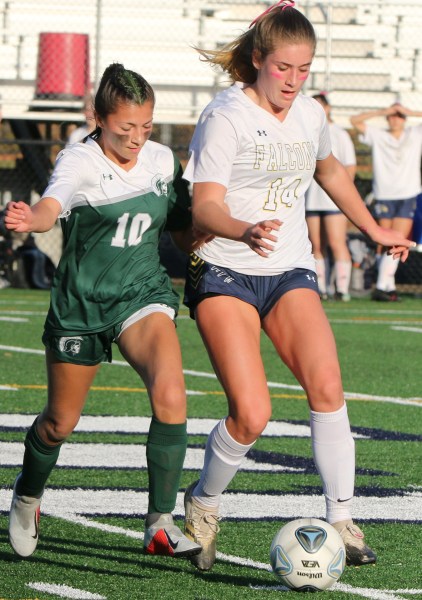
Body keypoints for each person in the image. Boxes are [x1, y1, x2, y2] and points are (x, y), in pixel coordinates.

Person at [180, 0, 415, 572]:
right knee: (251, 414)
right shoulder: (225, 116)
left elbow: (330, 171)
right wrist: (242, 228)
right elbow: (203, 206)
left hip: (288, 268)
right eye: (283, 67)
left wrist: (373, 228)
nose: (293, 80)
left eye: (303, 69)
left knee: (328, 386)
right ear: (259, 59)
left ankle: (342, 519)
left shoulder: (309, 114)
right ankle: (204, 502)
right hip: (225, 268)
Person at [4, 63, 206, 560]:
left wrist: (218, 230)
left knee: (172, 395)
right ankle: (27, 496)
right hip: (82, 304)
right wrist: (32, 218)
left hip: (143, 295)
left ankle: (159, 523)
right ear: (98, 117)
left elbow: (182, 228)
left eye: (146, 126)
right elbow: (51, 206)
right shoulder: (79, 160)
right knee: (59, 423)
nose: (137, 138)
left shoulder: (162, 160)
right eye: (125, 128)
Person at [350, 103, 422, 301]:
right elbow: (354, 121)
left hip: (407, 194)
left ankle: (384, 286)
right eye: (392, 116)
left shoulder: (414, 133)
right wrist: (382, 111)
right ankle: (386, 285)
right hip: (384, 194)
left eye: (399, 116)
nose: (395, 119)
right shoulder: (378, 135)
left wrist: (410, 112)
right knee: (384, 240)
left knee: (398, 238)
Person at [305, 93, 356, 301]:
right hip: (311, 198)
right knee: (315, 244)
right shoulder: (305, 129)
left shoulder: (339, 134)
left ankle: (342, 289)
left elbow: (350, 167)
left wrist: (345, 197)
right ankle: (321, 288)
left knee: (337, 243)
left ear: (327, 109)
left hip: (333, 201)